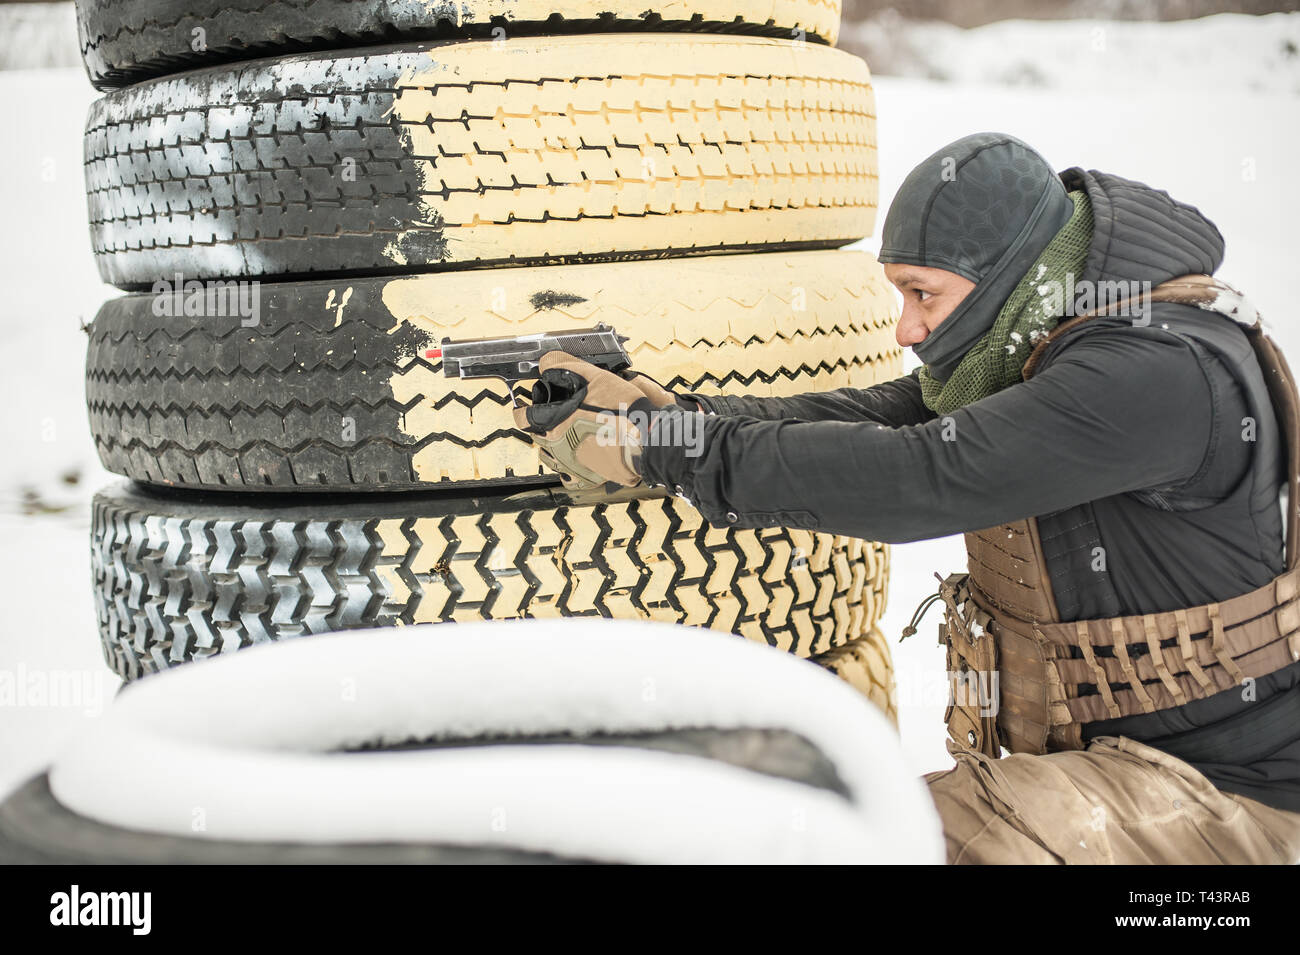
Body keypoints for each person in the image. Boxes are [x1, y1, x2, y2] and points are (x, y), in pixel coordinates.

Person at [511, 132, 1300, 864]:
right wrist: (677, 416)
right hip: (1127, 778)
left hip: (1235, 809)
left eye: (923, 294)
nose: (905, 328)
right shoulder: (1044, 339)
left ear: (1011, 274)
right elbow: (884, 415)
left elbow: (925, 473)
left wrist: (662, 448)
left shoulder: (1157, 369)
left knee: (915, 846)